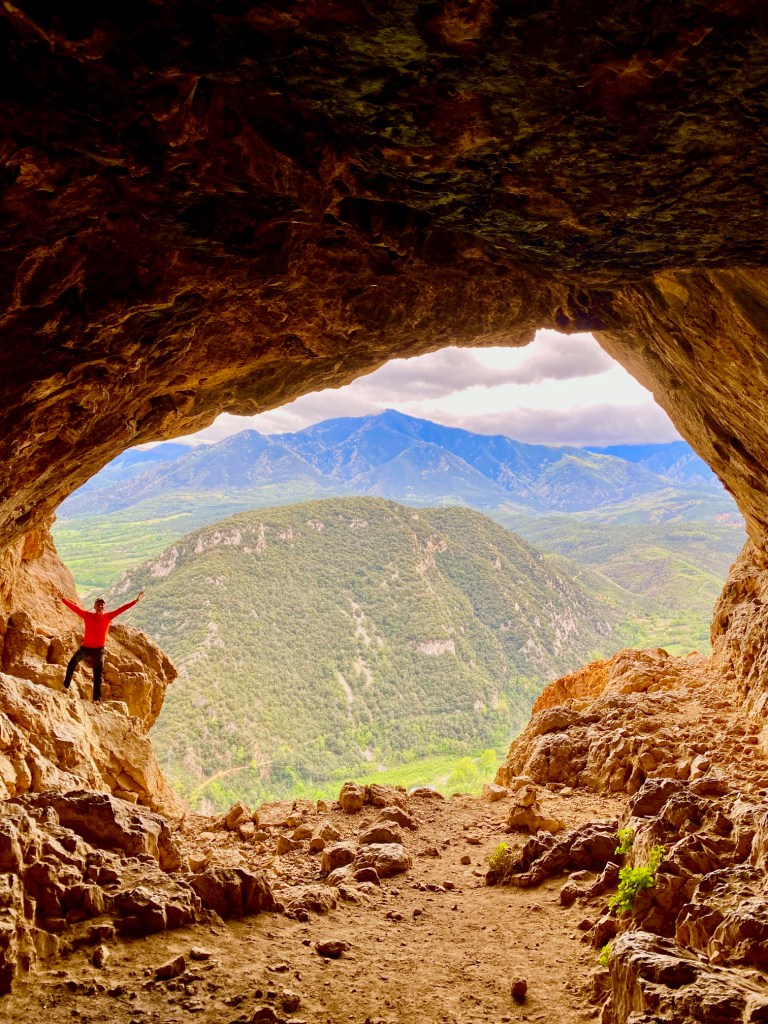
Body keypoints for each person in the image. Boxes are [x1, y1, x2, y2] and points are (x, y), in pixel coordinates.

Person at [57, 589, 144, 701]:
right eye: (98, 605)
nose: (100, 607)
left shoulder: (108, 617)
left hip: (99, 650)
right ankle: (65, 686)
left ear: (104, 607)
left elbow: (122, 609)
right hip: (86, 647)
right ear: (94, 606)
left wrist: (135, 601)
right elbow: (75, 609)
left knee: (97, 675)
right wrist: (63, 599)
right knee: (71, 663)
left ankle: (97, 699)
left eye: (102, 605)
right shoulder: (87, 616)